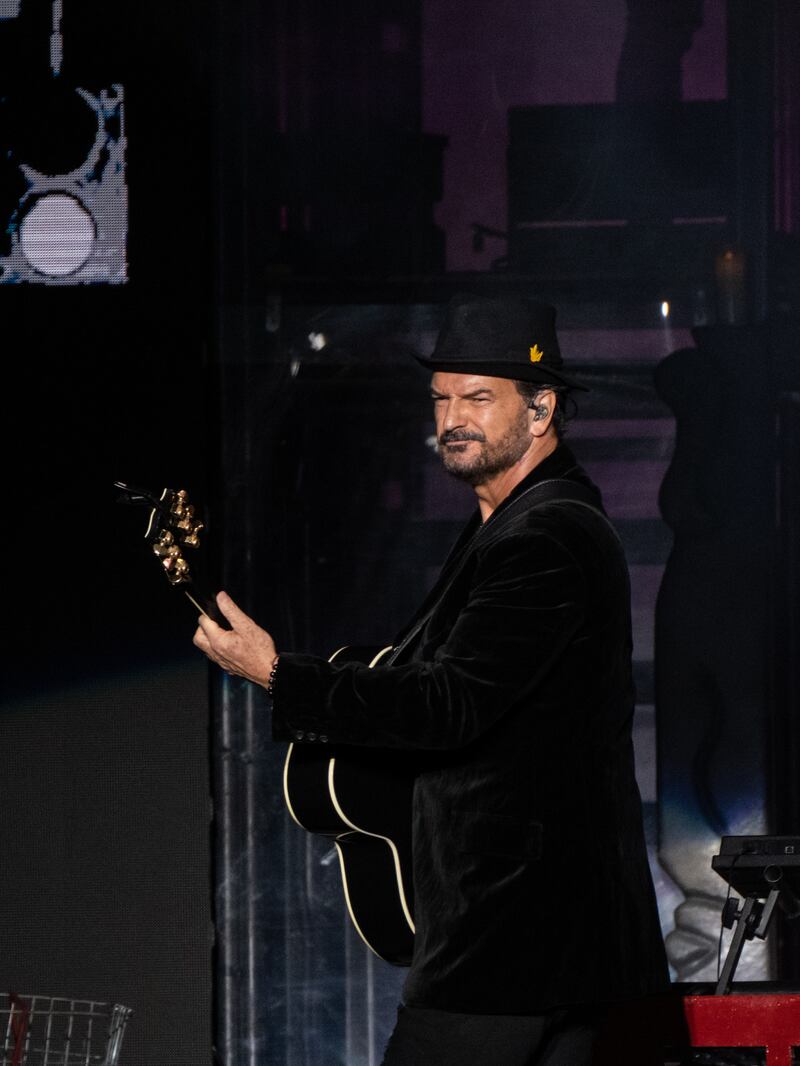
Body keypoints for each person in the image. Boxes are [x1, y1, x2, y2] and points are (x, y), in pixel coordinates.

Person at [194, 294, 669, 1065]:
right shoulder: (509, 526)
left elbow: (449, 704)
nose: (453, 417)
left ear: (541, 410)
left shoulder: (545, 537)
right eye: (442, 397)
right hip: (544, 943)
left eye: (479, 398)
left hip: (512, 942)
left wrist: (277, 673)